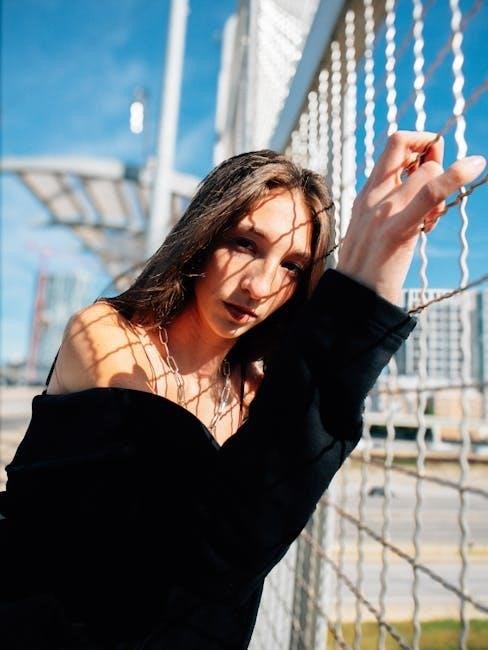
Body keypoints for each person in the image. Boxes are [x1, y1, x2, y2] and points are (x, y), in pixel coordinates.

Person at [0, 132, 485, 649]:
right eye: (244, 244)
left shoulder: (257, 393)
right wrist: (365, 278)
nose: (260, 285)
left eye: (292, 266)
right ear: (202, 236)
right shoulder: (109, 336)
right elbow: (202, 554)